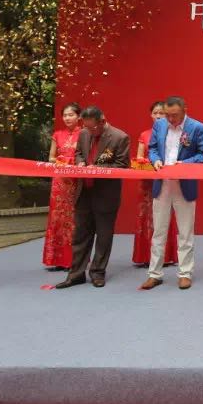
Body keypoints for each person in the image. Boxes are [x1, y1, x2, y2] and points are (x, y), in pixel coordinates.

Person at [55, 106, 130, 289]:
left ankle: (97, 272)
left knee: (104, 236)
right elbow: (79, 153)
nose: (89, 131)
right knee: (80, 234)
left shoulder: (120, 137)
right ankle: (76, 274)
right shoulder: (83, 134)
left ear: (102, 121)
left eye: (92, 128)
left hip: (106, 193)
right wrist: (80, 163)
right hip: (84, 191)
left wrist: (97, 170)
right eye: (86, 127)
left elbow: (122, 165)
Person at [141, 96, 203, 290]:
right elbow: (153, 148)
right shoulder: (160, 125)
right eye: (167, 115)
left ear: (185, 110)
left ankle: (185, 273)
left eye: (175, 115)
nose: (170, 119)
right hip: (162, 184)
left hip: (184, 185)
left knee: (185, 232)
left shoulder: (197, 127)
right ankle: (154, 274)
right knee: (159, 231)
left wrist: (185, 164)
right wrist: (155, 160)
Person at [132, 101, 177, 268]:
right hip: (146, 183)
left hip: (165, 181)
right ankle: (145, 256)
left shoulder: (173, 134)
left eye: (161, 113)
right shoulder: (144, 135)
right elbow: (139, 158)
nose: (158, 116)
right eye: (155, 113)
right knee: (146, 216)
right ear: (151, 115)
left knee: (164, 216)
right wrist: (145, 163)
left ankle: (166, 256)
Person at [43, 102, 82, 270]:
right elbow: (51, 157)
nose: (67, 118)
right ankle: (56, 259)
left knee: (75, 218)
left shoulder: (85, 134)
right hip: (59, 181)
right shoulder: (57, 135)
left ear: (79, 117)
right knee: (57, 218)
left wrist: (73, 162)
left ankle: (74, 259)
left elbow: (86, 157)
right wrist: (61, 160)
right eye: (65, 115)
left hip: (77, 180)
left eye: (71, 115)